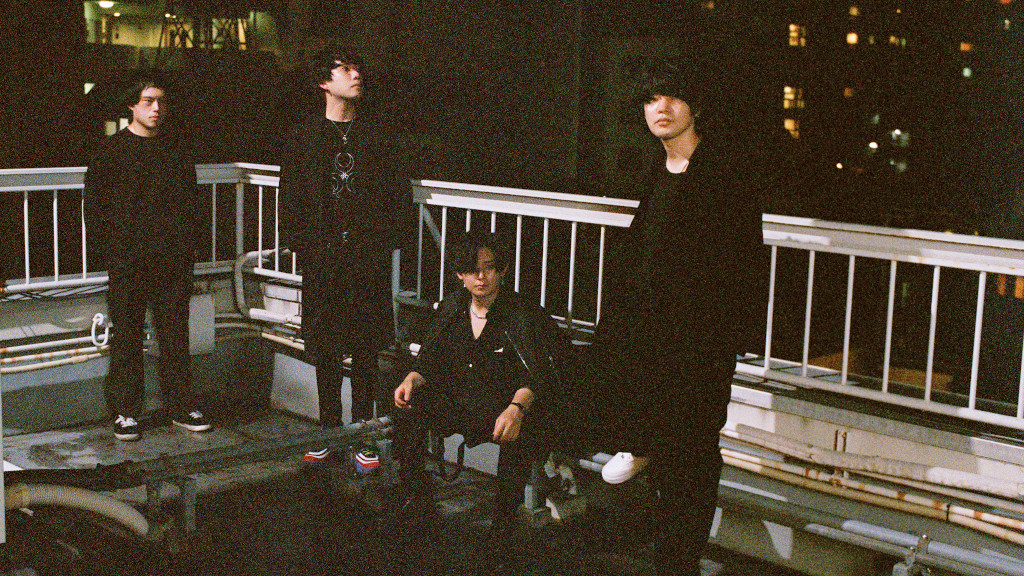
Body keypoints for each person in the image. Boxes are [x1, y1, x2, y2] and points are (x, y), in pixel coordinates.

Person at [591, 56, 764, 576]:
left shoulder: (724, 174)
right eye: (650, 98)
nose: (660, 107)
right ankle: (669, 552)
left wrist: (722, 343)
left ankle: (680, 560)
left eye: (671, 96)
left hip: (699, 345)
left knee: (692, 454)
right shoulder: (657, 171)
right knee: (668, 453)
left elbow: (743, 265)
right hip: (653, 341)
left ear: (695, 106)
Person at [279, 45, 415, 464]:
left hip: (366, 255)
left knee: (366, 347)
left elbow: (398, 192)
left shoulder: (377, 135)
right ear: (324, 81)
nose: (356, 75)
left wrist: (387, 241)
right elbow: (291, 195)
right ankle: (328, 428)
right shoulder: (304, 136)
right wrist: (303, 245)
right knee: (326, 346)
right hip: (323, 256)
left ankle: (363, 432)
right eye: (346, 69)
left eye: (358, 68)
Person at [392, 232, 573, 538]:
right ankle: (415, 492)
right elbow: (430, 360)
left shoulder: (521, 313)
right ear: (460, 274)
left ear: (502, 270)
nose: (481, 277)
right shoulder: (452, 307)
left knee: (522, 429)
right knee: (408, 402)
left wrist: (516, 408)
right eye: (472, 269)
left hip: (504, 406)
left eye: (489, 267)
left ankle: (504, 518)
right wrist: (412, 379)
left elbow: (537, 374)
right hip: (463, 401)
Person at [83, 74, 211, 441]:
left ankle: (181, 406)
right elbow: (95, 208)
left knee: (175, 337)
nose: (157, 108)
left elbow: (192, 204)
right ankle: (125, 411)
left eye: (161, 101)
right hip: (128, 262)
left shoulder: (176, 150)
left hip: (172, 261)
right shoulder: (110, 152)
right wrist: (112, 254)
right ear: (131, 105)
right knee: (127, 337)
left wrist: (188, 250)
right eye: (148, 101)